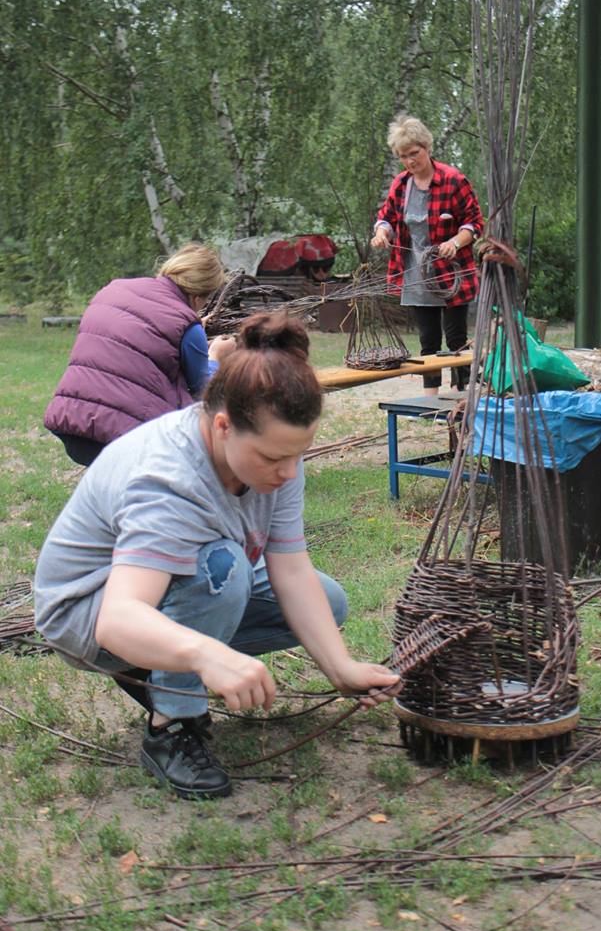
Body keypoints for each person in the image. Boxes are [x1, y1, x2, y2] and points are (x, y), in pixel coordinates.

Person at [34, 313, 401, 800]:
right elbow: (118, 620)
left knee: (327, 602)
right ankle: (172, 725)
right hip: (88, 614)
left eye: (299, 454)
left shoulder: (272, 456)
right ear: (223, 425)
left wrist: (339, 667)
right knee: (225, 567)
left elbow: (290, 570)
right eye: (274, 458)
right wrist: (208, 655)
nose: (288, 472)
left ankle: (162, 666)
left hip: (175, 582)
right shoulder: (168, 478)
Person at [44, 242, 235, 465]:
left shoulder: (113, 289)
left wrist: (192, 332)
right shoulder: (187, 325)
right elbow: (204, 389)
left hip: (73, 422)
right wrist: (216, 356)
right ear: (197, 297)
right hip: (123, 437)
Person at [371, 115, 483, 394]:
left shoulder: (454, 181)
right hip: (417, 274)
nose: (410, 161)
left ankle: (463, 395)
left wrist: (455, 243)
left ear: (427, 147)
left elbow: (475, 223)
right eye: (403, 156)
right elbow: (386, 217)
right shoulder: (401, 184)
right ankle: (430, 399)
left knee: (456, 337)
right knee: (428, 338)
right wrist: (382, 233)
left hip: (451, 272)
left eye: (414, 153)